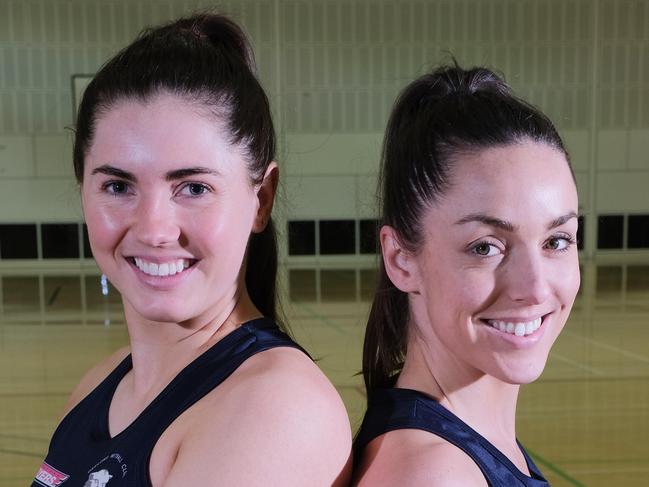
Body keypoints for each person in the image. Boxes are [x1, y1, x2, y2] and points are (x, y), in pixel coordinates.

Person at [32, 14, 351, 487]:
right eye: (118, 185)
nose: (155, 230)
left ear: (260, 199)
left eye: (194, 188)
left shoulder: (274, 409)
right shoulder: (100, 384)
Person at [353, 64, 580, 486]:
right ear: (401, 259)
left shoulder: (469, 444)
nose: (534, 288)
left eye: (557, 241)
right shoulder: (432, 473)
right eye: (486, 247)